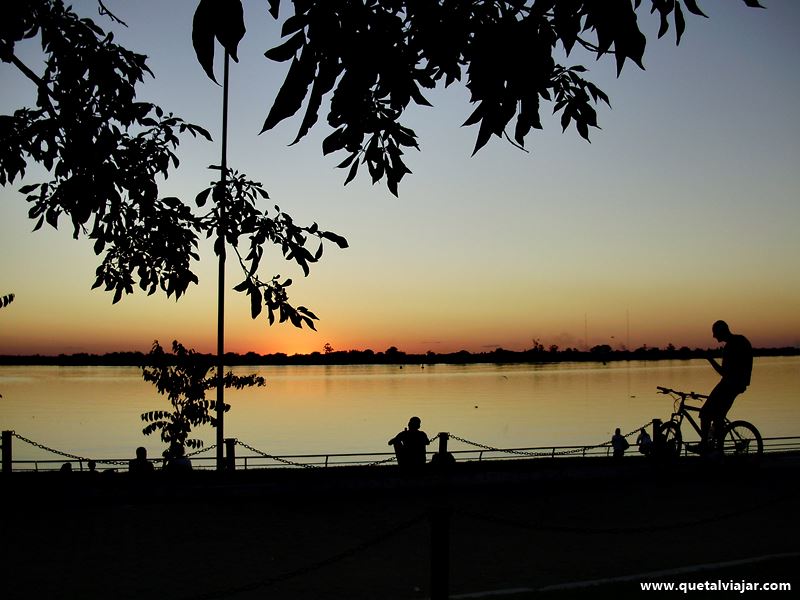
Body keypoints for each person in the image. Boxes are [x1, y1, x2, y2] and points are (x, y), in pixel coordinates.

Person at [692, 320, 753, 454]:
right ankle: (718, 450)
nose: (714, 336)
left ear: (721, 332)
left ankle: (705, 445)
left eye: (715, 333)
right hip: (740, 384)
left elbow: (723, 372)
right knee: (718, 417)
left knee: (705, 414)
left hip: (729, 384)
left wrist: (709, 359)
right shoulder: (741, 340)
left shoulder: (730, 347)